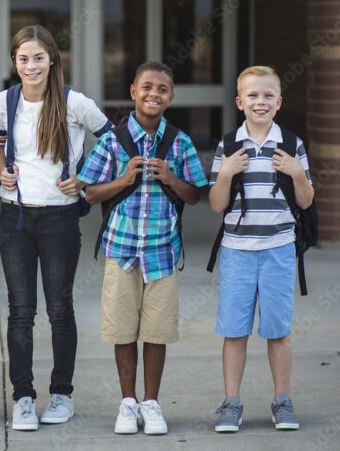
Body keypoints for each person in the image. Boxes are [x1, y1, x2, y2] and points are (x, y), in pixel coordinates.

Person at [0, 25, 112, 431]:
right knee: (21, 311)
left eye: (38, 57)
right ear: (14, 62)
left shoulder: (73, 102)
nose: (31, 65)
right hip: (16, 217)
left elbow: (113, 140)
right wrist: (5, 171)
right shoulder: (3, 102)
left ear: (52, 59)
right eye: (23, 58)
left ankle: (62, 394)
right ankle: (23, 397)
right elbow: (0, 144)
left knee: (60, 308)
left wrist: (85, 180)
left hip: (60, 217)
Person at [79, 61, 207, 436]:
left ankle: (151, 403)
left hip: (163, 252)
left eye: (162, 89)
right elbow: (89, 193)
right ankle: (127, 402)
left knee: (156, 331)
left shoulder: (179, 142)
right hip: (121, 250)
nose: (154, 94)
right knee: (122, 330)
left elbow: (195, 195)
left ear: (171, 97)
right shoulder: (113, 141)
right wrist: (123, 179)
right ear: (134, 91)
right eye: (146, 87)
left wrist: (172, 177)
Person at [208, 66, 313, 433]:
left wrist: (298, 172)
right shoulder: (228, 146)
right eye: (252, 96)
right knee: (234, 331)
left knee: (278, 330)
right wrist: (225, 173)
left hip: (279, 249)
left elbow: (306, 199)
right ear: (240, 102)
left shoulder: (292, 144)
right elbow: (217, 206)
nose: (260, 102)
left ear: (279, 102)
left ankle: (282, 400)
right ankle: (231, 403)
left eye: (268, 95)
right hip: (237, 251)